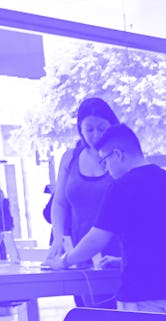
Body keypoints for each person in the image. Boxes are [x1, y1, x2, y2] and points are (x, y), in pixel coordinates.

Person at [49, 124, 166, 314]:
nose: (106, 169)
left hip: (143, 292)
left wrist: (65, 261)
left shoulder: (121, 187)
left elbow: (96, 240)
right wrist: (122, 260)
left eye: (105, 161)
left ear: (118, 154)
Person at [47, 97, 120, 266]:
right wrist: (58, 237)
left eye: (102, 128)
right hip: (79, 250)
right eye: (89, 129)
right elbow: (59, 204)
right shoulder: (70, 158)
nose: (96, 135)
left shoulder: (119, 157)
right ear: (81, 130)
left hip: (116, 251)